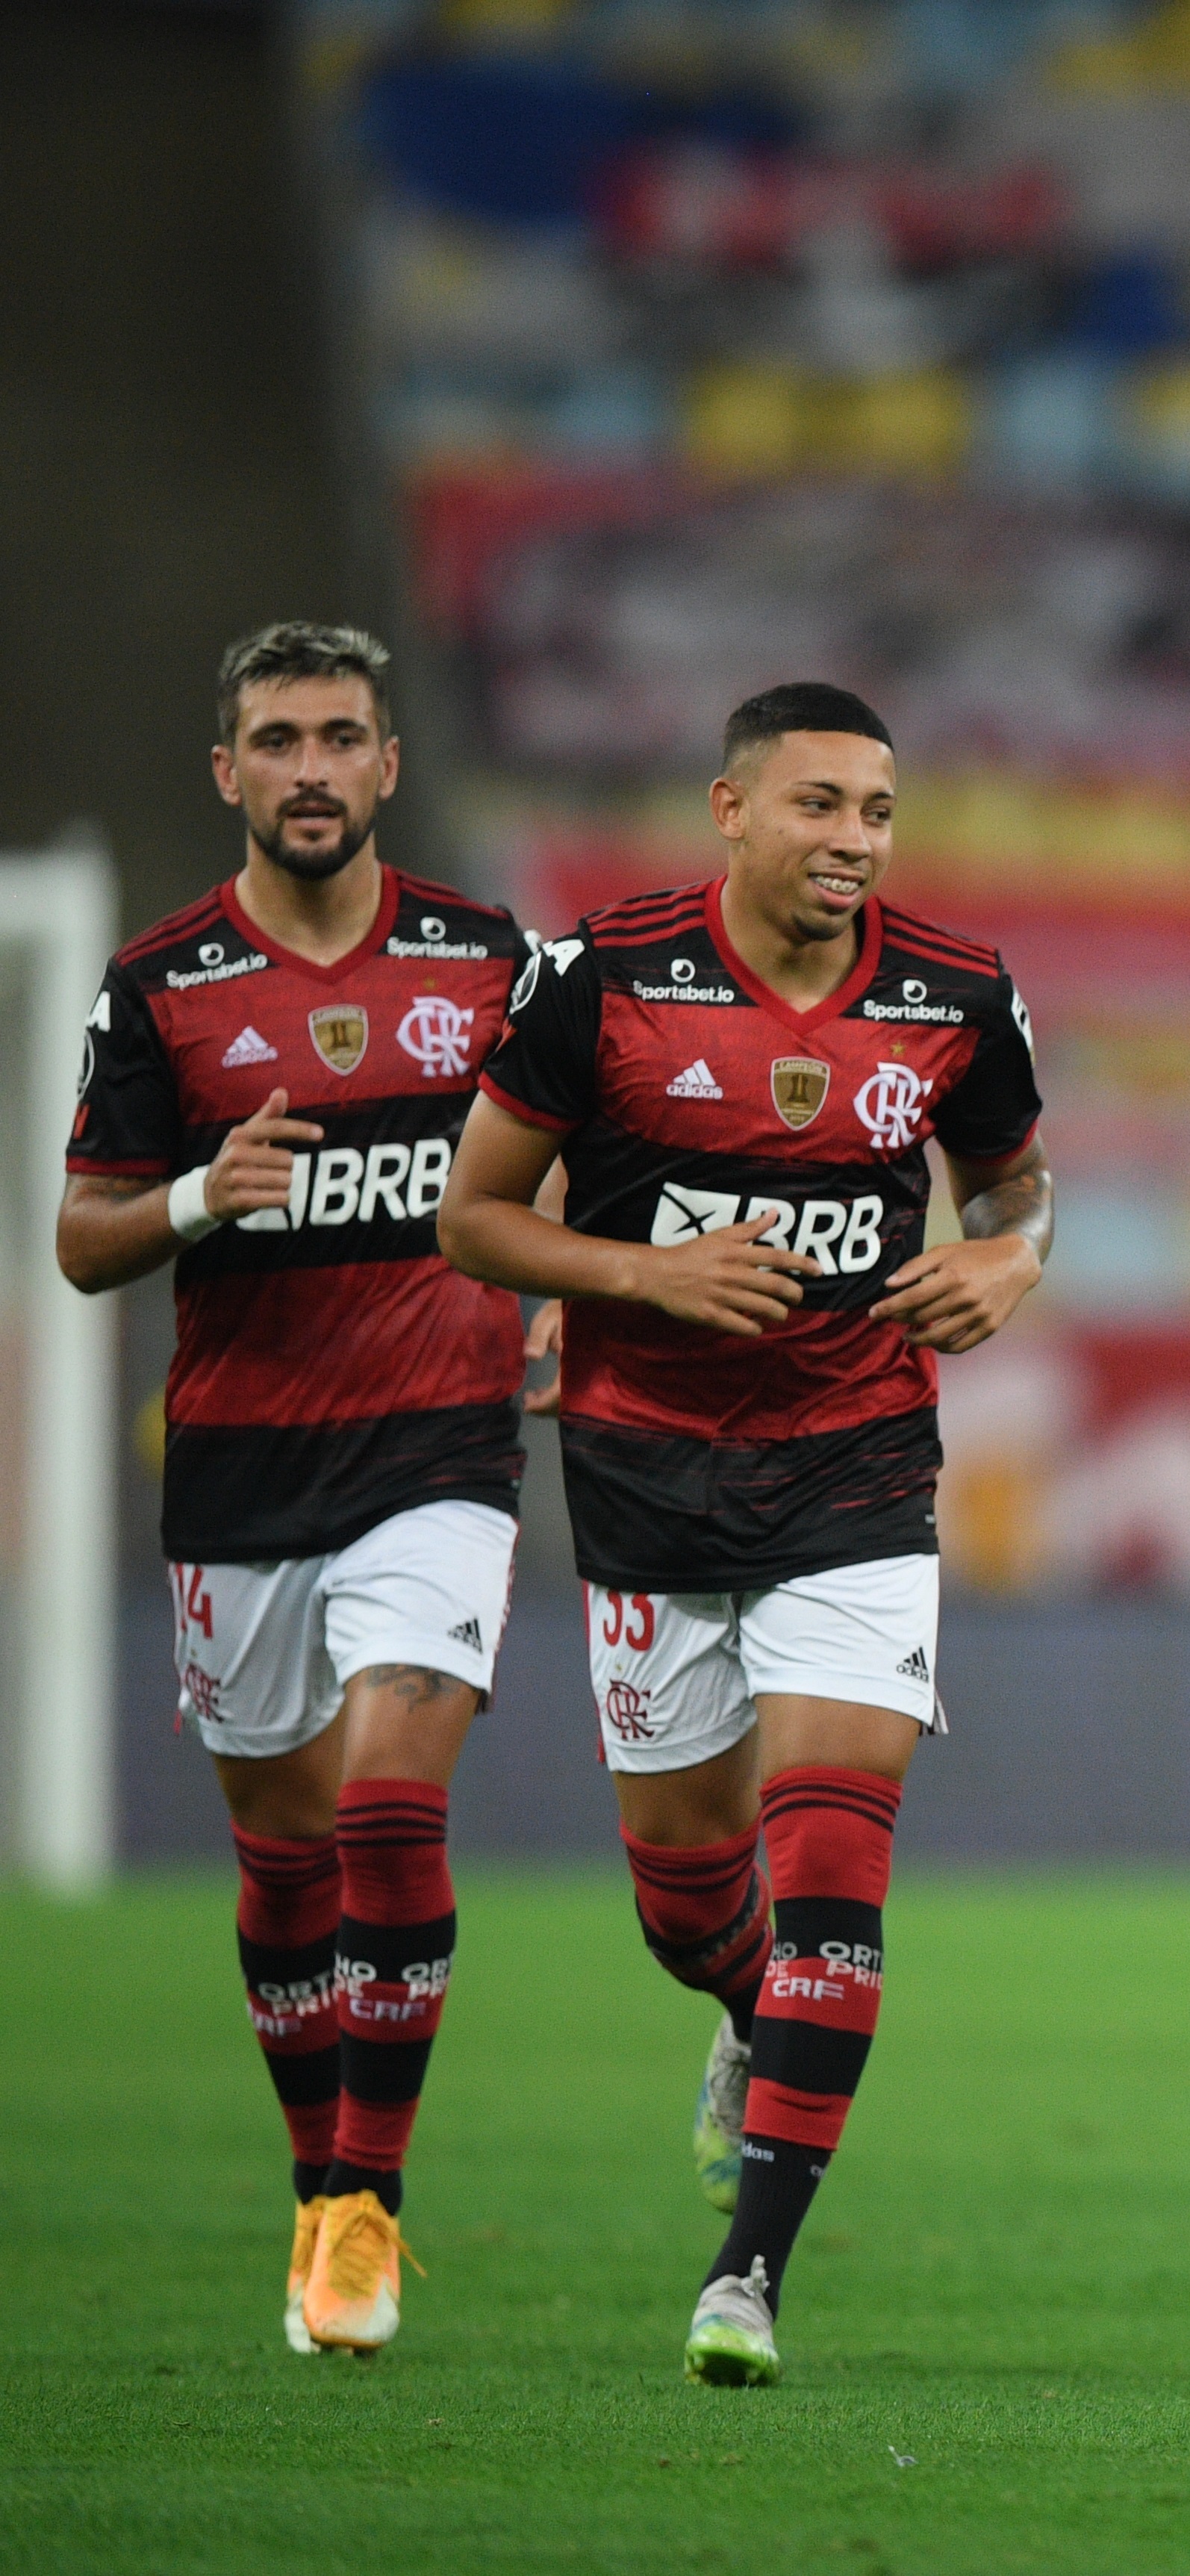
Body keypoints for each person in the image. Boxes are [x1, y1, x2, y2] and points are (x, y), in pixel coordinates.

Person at [437, 682, 1051, 2387]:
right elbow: (471, 1216)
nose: (854, 842)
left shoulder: (956, 992)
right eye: (819, 807)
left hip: (856, 1476)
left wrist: (1007, 1260)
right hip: (642, 1484)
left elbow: (1014, 1187)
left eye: (877, 810)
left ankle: (748, 2279)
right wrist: (643, 1275)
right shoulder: (604, 979)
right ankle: (742, 2012)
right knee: (689, 1900)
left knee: (837, 1869)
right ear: (729, 809)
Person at [57, 622, 530, 2358]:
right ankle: (314, 2184)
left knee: (389, 1810)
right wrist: (198, 1196)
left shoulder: (494, 963)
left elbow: (592, 1162)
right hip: (244, 1467)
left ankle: (369, 2203)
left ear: (390, 766)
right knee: (280, 1866)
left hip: (440, 1448)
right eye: (279, 739)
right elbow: (78, 1240)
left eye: (342, 735)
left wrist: (562, 1308)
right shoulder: (158, 983)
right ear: (230, 775)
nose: (312, 767)